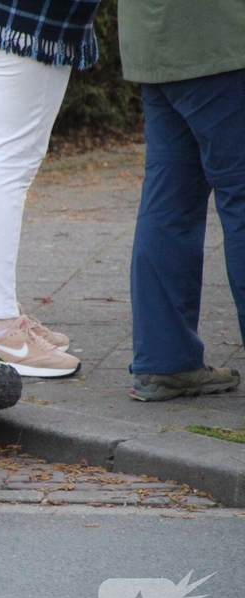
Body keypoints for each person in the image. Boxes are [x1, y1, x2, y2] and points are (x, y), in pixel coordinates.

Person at [0, 0, 100, 377]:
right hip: (27, 17)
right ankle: (0, 329)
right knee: (8, 164)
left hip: (23, 17)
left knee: (2, 158)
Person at [119, 0, 245, 401]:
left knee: (170, 200)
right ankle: (165, 361)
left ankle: (165, 361)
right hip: (220, 37)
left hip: (155, 37)